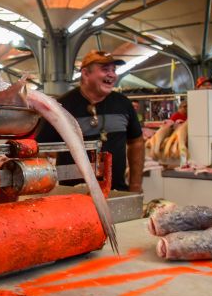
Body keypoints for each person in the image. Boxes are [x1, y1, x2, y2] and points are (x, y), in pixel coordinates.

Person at [36, 50, 144, 193]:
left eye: (113, 70)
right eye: (105, 69)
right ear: (86, 74)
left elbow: (136, 142)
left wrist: (135, 185)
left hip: (115, 191)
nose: (112, 74)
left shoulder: (123, 104)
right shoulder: (62, 107)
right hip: (72, 194)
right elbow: (40, 148)